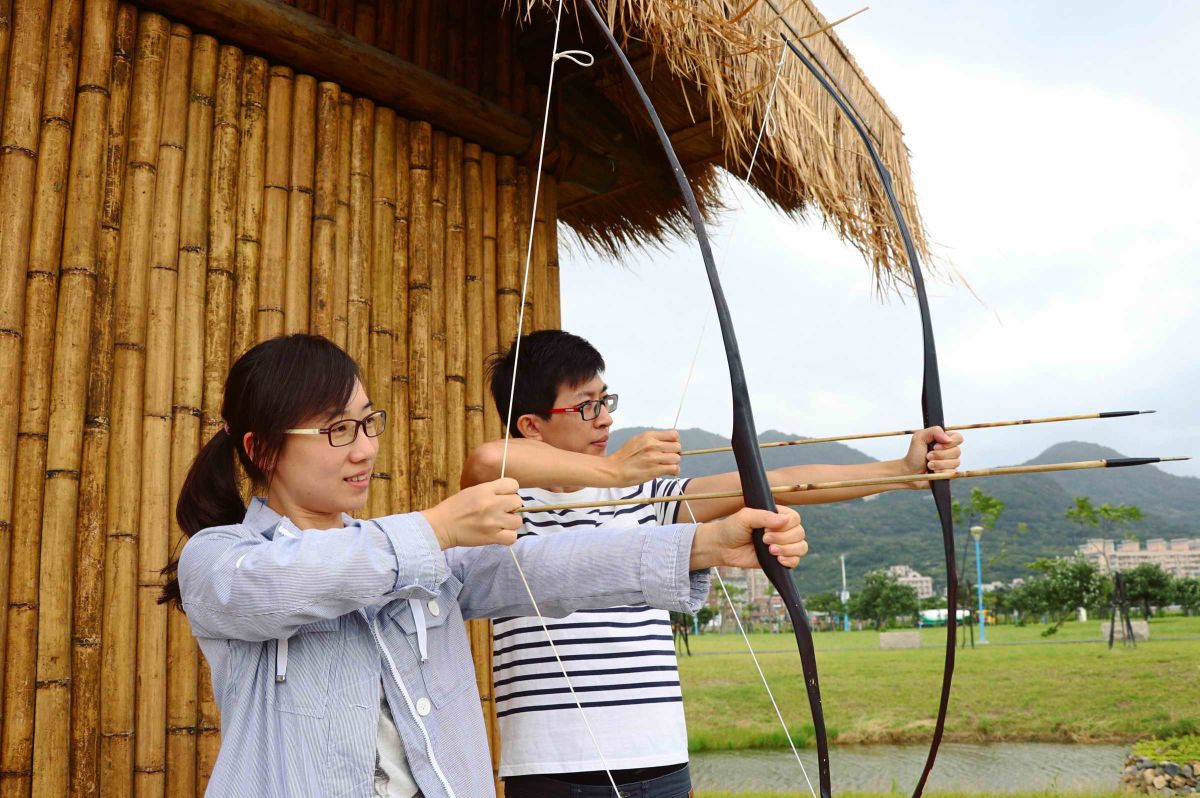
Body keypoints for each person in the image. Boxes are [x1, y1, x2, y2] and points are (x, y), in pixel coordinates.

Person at [164, 334, 809, 798]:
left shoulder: (421, 557)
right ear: (261, 449)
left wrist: (703, 545)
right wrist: (441, 527)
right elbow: (289, 583)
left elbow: (552, 567)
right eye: (337, 431)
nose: (364, 449)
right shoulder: (220, 561)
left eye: (368, 424)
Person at [462, 329, 965, 798]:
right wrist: (613, 469)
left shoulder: (644, 497)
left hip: (661, 758)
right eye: (585, 405)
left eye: (605, 400)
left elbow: (779, 480)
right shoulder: (503, 504)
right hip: (554, 767)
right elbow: (486, 459)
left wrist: (899, 472)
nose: (605, 418)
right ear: (531, 425)